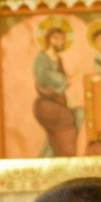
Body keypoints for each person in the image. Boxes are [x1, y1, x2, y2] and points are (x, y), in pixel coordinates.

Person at [32, 27, 78, 157]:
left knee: (54, 139)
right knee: (66, 125)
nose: (59, 42)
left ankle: (44, 162)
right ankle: (68, 158)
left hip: (58, 102)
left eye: (62, 39)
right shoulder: (42, 58)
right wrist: (64, 80)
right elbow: (43, 77)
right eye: (56, 38)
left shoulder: (58, 59)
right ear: (48, 39)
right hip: (46, 104)